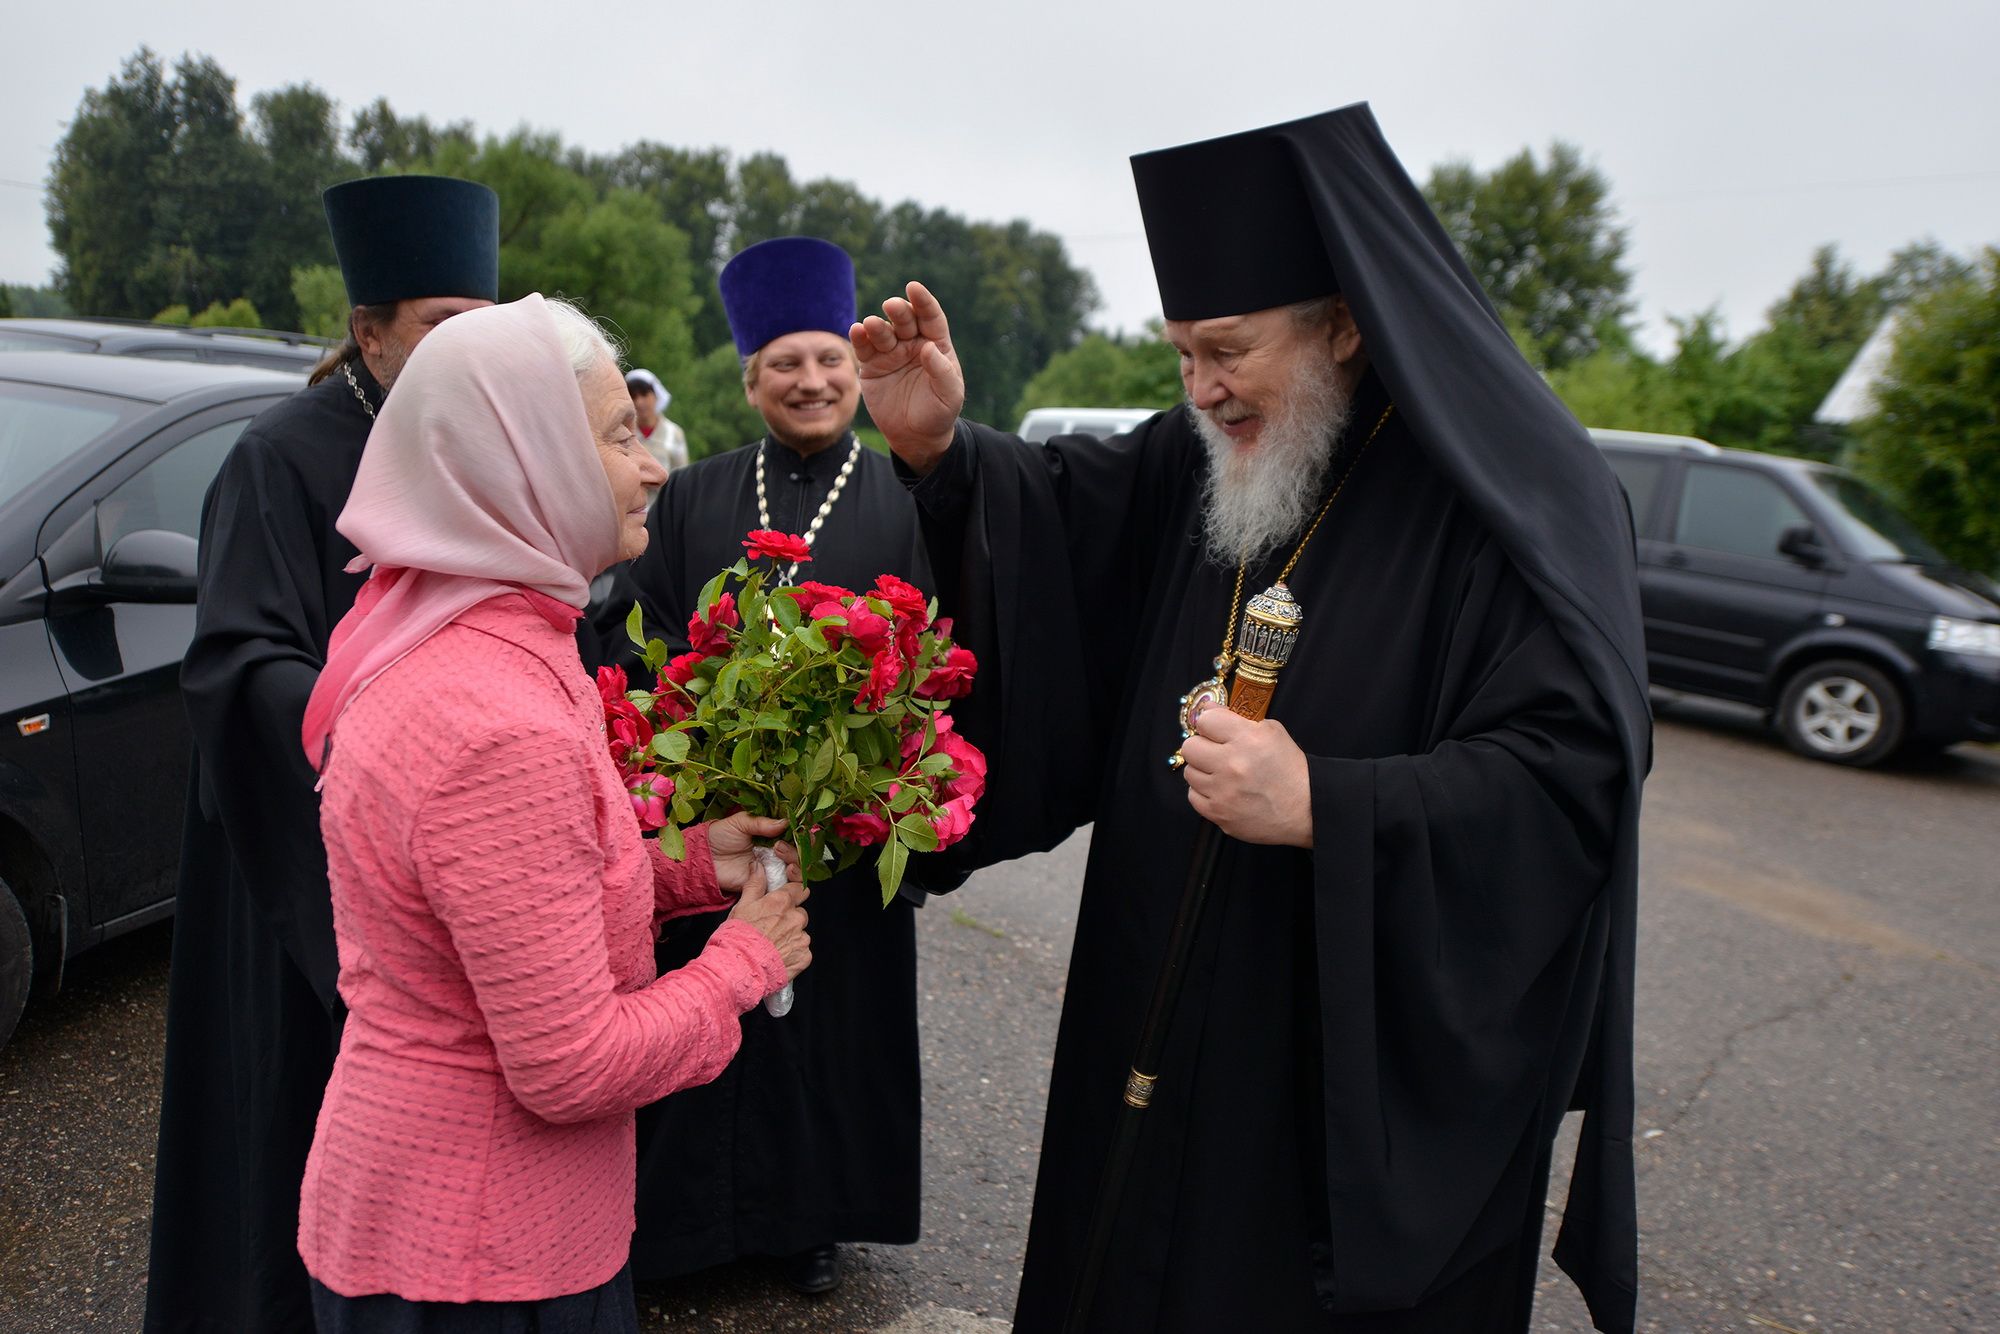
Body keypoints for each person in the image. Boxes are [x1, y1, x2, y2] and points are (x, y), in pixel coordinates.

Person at [850, 103, 1648, 1334]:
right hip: (1145, 1000)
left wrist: (1331, 803)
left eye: (1225, 349)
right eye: (1178, 353)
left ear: (1344, 320)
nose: (1199, 390)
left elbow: (1570, 776)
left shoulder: (1511, 496)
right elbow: (1061, 531)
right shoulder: (1207, 454)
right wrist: (943, 450)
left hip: (1323, 1070)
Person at [294, 292, 811, 1333]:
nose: (655, 461)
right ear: (525, 460)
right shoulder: (498, 718)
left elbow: (509, 897)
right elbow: (570, 1062)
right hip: (479, 1254)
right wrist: (742, 961)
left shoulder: (467, 632)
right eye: (621, 435)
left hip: (428, 1224)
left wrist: (683, 868)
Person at [145, 174, 500, 1333]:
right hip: (296, 854)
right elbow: (238, 659)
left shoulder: (475, 451)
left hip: (439, 844)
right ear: (369, 329)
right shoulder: (280, 455)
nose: (465, 353)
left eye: (479, 327)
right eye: (442, 326)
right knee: (291, 1113)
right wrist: (391, 732)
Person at [616, 236, 941, 1296]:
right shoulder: (693, 494)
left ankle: (812, 1220)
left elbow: (935, 654)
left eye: (828, 361)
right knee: (708, 1012)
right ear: (749, 377)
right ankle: (695, 1223)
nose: (810, 381)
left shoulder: (907, 491)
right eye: (785, 364)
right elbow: (645, 643)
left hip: (844, 833)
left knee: (832, 1029)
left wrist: (872, 777)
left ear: (856, 368)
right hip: (713, 829)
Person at [626, 368, 690, 474]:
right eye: (633, 396)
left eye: (644, 394)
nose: (639, 402)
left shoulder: (674, 433)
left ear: (656, 395)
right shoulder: (623, 433)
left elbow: (682, 474)